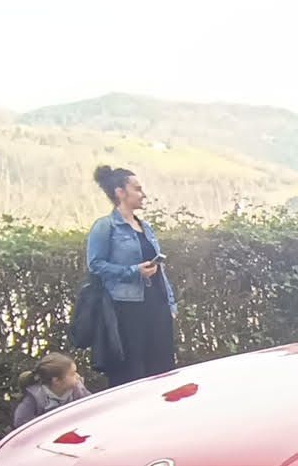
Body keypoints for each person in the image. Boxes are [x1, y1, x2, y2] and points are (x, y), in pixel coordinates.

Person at [86, 165, 177, 385]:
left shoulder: (145, 227)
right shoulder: (105, 227)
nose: (143, 194)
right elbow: (95, 264)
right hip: (126, 308)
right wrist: (133, 271)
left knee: (162, 369)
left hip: (156, 304)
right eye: (137, 189)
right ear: (120, 192)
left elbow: (160, 269)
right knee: (132, 370)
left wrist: (170, 302)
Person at [11, 352, 91, 428]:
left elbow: (92, 410)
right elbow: (20, 423)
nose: (78, 376)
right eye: (73, 374)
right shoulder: (34, 398)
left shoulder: (79, 390)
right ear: (56, 380)